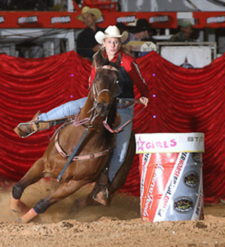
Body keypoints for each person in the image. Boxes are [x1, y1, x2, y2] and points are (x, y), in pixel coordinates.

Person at [14, 25, 150, 204]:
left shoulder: (128, 62)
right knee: (70, 106)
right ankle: (36, 123)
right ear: (104, 43)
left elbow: (140, 82)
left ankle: (103, 187)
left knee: (122, 150)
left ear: (119, 43)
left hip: (122, 106)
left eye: (116, 42)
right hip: (98, 102)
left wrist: (145, 95)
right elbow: (91, 83)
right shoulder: (98, 60)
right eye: (110, 42)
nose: (113, 45)